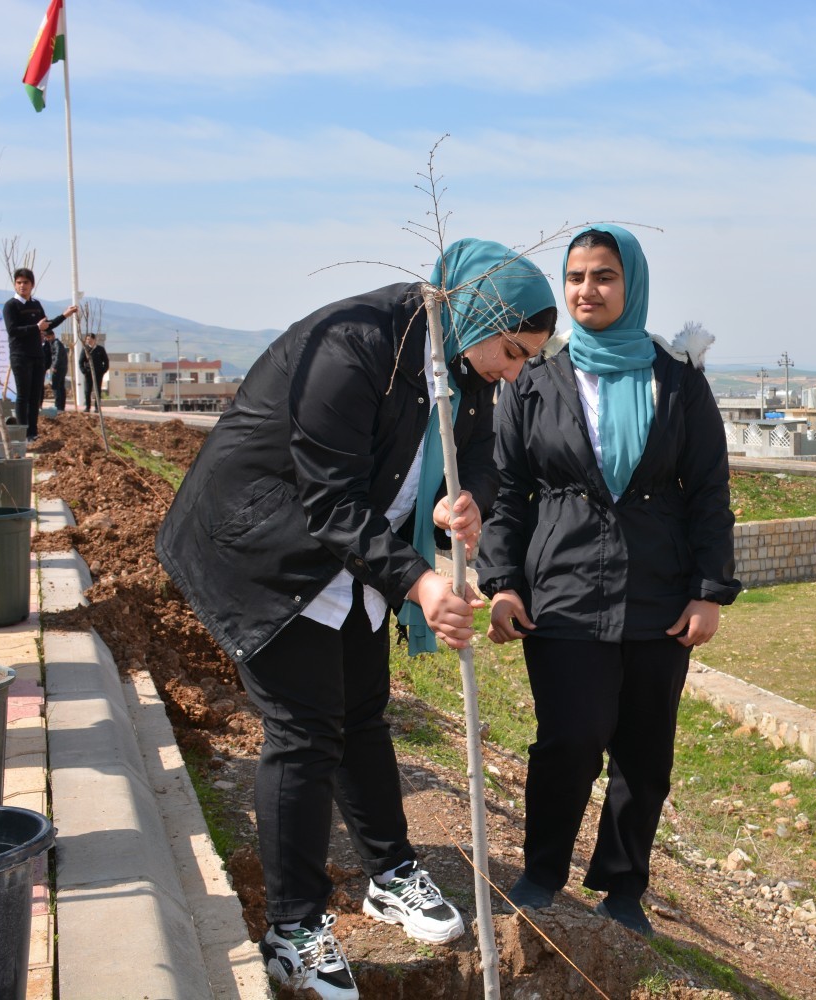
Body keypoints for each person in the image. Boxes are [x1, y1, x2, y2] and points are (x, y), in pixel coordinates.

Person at [156, 239, 555, 1000]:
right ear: (479, 313)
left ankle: (389, 872)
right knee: (305, 730)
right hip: (267, 545)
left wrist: (451, 509)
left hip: (351, 559)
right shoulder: (357, 346)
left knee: (362, 712)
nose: (512, 372)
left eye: (525, 360)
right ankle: (294, 929)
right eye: (511, 351)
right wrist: (420, 582)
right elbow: (329, 498)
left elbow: (469, 469)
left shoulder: (467, 374)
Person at [477, 226, 740, 938]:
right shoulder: (535, 382)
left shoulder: (679, 381)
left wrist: (709, 590)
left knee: (644, 749)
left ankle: (625, 886)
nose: (587, 290)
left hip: (660, 594)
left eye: (603, 277)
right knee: (569, 739)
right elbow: (508, 497)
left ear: (632, 287)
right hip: (561, 591)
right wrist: (501, 583)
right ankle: (541, 872)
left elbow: (709, 492)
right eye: (576, 277)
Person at [1, 267, 76, 441]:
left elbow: (46, 325)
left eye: (26, 282)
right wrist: (36, 328)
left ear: (32, 285)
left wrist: (64, 315)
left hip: (37, 356)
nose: (22, 286)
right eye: (19, 282)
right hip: (20, 356)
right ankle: (21, 433)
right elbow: (13, 330)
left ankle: (33, 432)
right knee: (23, 395)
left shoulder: (36, 305)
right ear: (14, 284)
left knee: (36, 396)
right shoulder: (11, 305)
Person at [78, 332, 108, 412]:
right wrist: (84, 371)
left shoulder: (100, 349)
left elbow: (106, 361)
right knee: (87, 391)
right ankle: (87, 407)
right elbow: (80, 362)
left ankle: (97, 407)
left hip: (98, 373)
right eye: (87, 339)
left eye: (90, 339)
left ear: (94, 340)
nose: (89, 341)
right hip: (88, 373)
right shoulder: (85, 349)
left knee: (97, 390)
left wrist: (103, 371)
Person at [42, 329, 68, 412]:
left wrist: (55, 366)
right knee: (60, 387)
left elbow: (57, 356)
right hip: (61, 367)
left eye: (48, 337)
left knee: (56, 387)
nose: (47, 339)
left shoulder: (56, 344)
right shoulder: (53, 343)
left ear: (53, 335)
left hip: (58, 368)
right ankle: (61, 406)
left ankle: (58, 406)